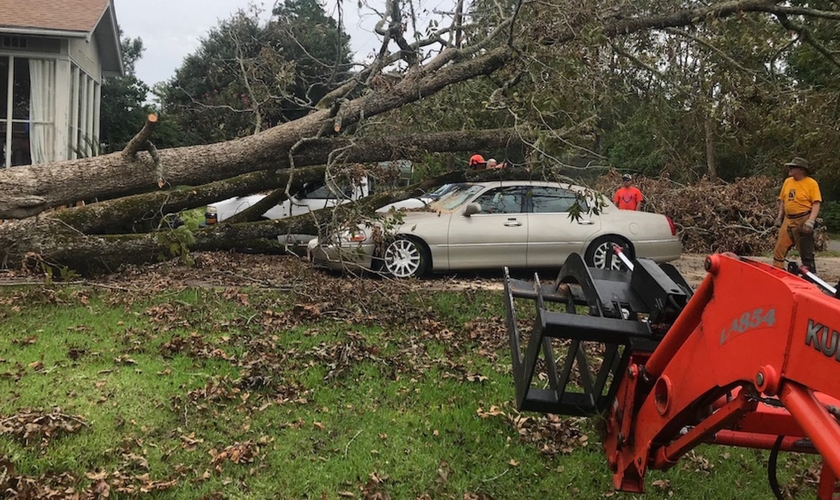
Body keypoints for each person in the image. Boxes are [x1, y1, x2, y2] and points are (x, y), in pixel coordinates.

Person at [773, 156, 822, 273]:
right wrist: (780, 216)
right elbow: (782, 200)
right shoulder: (787, 182)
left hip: (803, 218)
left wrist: (811, 221)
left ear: (801, 170)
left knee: (805, 251)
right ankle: (778, 272)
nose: (790, 169)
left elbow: (816, 203)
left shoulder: (811, 183)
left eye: (793, 167)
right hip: (788, 219)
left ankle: (810, 276)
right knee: (779, 248)